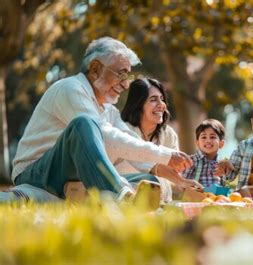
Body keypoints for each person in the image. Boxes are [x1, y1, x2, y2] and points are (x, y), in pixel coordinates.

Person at [1, 37, 193, 203]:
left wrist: (178, 179)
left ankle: (103, 196)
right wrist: (166, 154)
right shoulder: (70, 89)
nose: (126, 84)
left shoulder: (108, 109)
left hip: (72, 175)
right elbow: (107, 136)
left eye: (128, 75)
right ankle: (119, 197)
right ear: (95, 69)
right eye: (121, 74)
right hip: (35, 173)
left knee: (146, 179)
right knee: (83, 123)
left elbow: (128, 145)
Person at [116, 77, 202, 202]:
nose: (161, 105)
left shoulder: (168, 134)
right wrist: (181, 181)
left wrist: (188, 187)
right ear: (138, 104)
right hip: (126, 202)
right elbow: (148, 163)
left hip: (163, 203)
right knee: (148, 179)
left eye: (162, 99)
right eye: (153, 100)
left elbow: (174, 177)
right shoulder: (123, 131)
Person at [182, 119, 226, 188]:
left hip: (216, 198)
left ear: (221, 143)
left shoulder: (221, 165)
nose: (208, 140)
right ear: (197, 143)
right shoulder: (191, 161)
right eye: (204, 137)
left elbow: (224, 186)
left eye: (212, 137)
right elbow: (182, 185)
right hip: (194, 198)